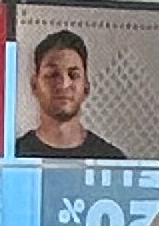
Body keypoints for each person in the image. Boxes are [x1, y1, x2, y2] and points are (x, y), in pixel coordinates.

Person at [13, 27, 124, 159]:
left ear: (86, 87)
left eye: (74, 75)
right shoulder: (14, 157)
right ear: (34, 85)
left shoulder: (111, 161)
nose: (64, 84)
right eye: (52, 75)